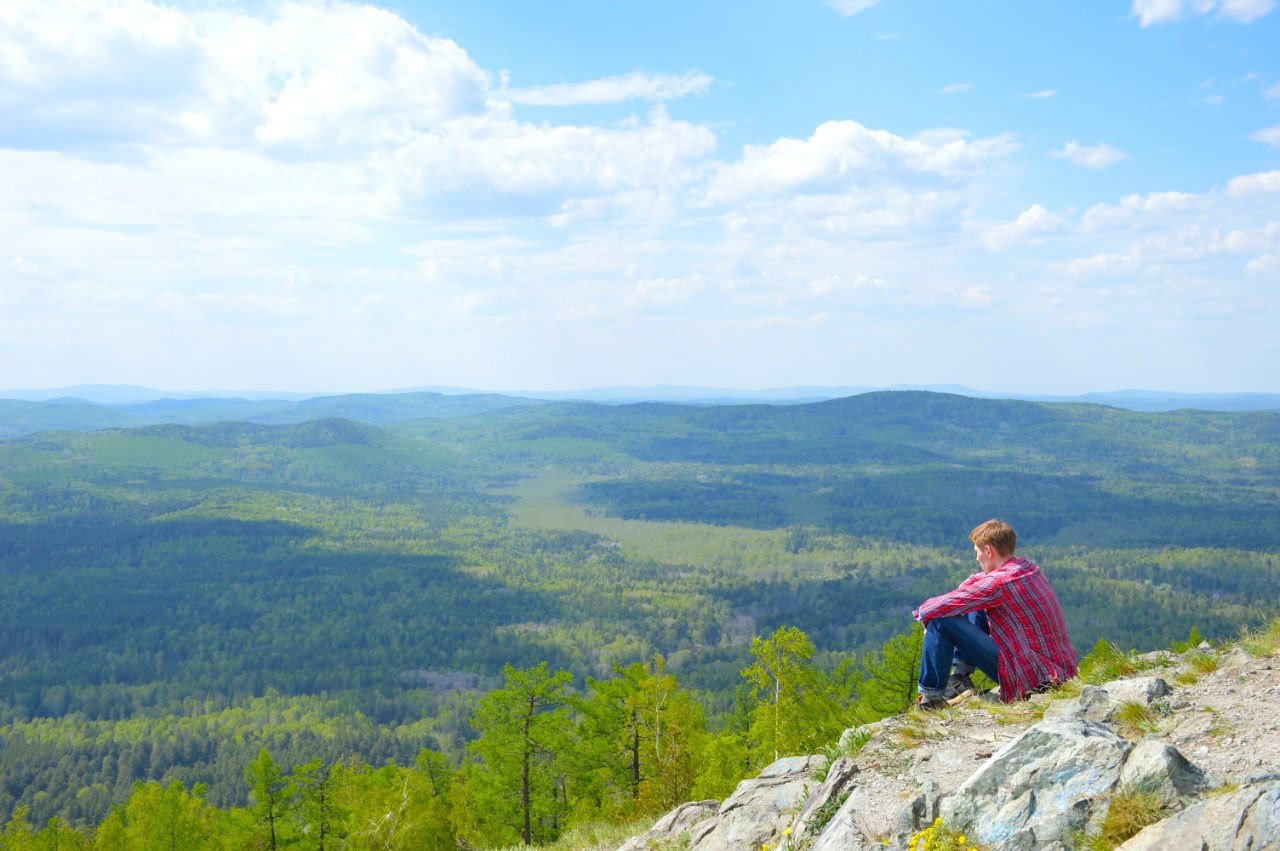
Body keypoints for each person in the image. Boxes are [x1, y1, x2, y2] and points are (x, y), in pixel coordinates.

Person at [912, 519, 1077, 709]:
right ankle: (959, 678)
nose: (976, 558)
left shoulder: (998, 584)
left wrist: (930, 621)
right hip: (1059, 672)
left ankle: (930, 697)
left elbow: (928, 609)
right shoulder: (1026, 567)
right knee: (973, 604)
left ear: (989, 551)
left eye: (977, 552)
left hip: (1029, 679)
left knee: (941, 621)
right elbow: (979, 584)